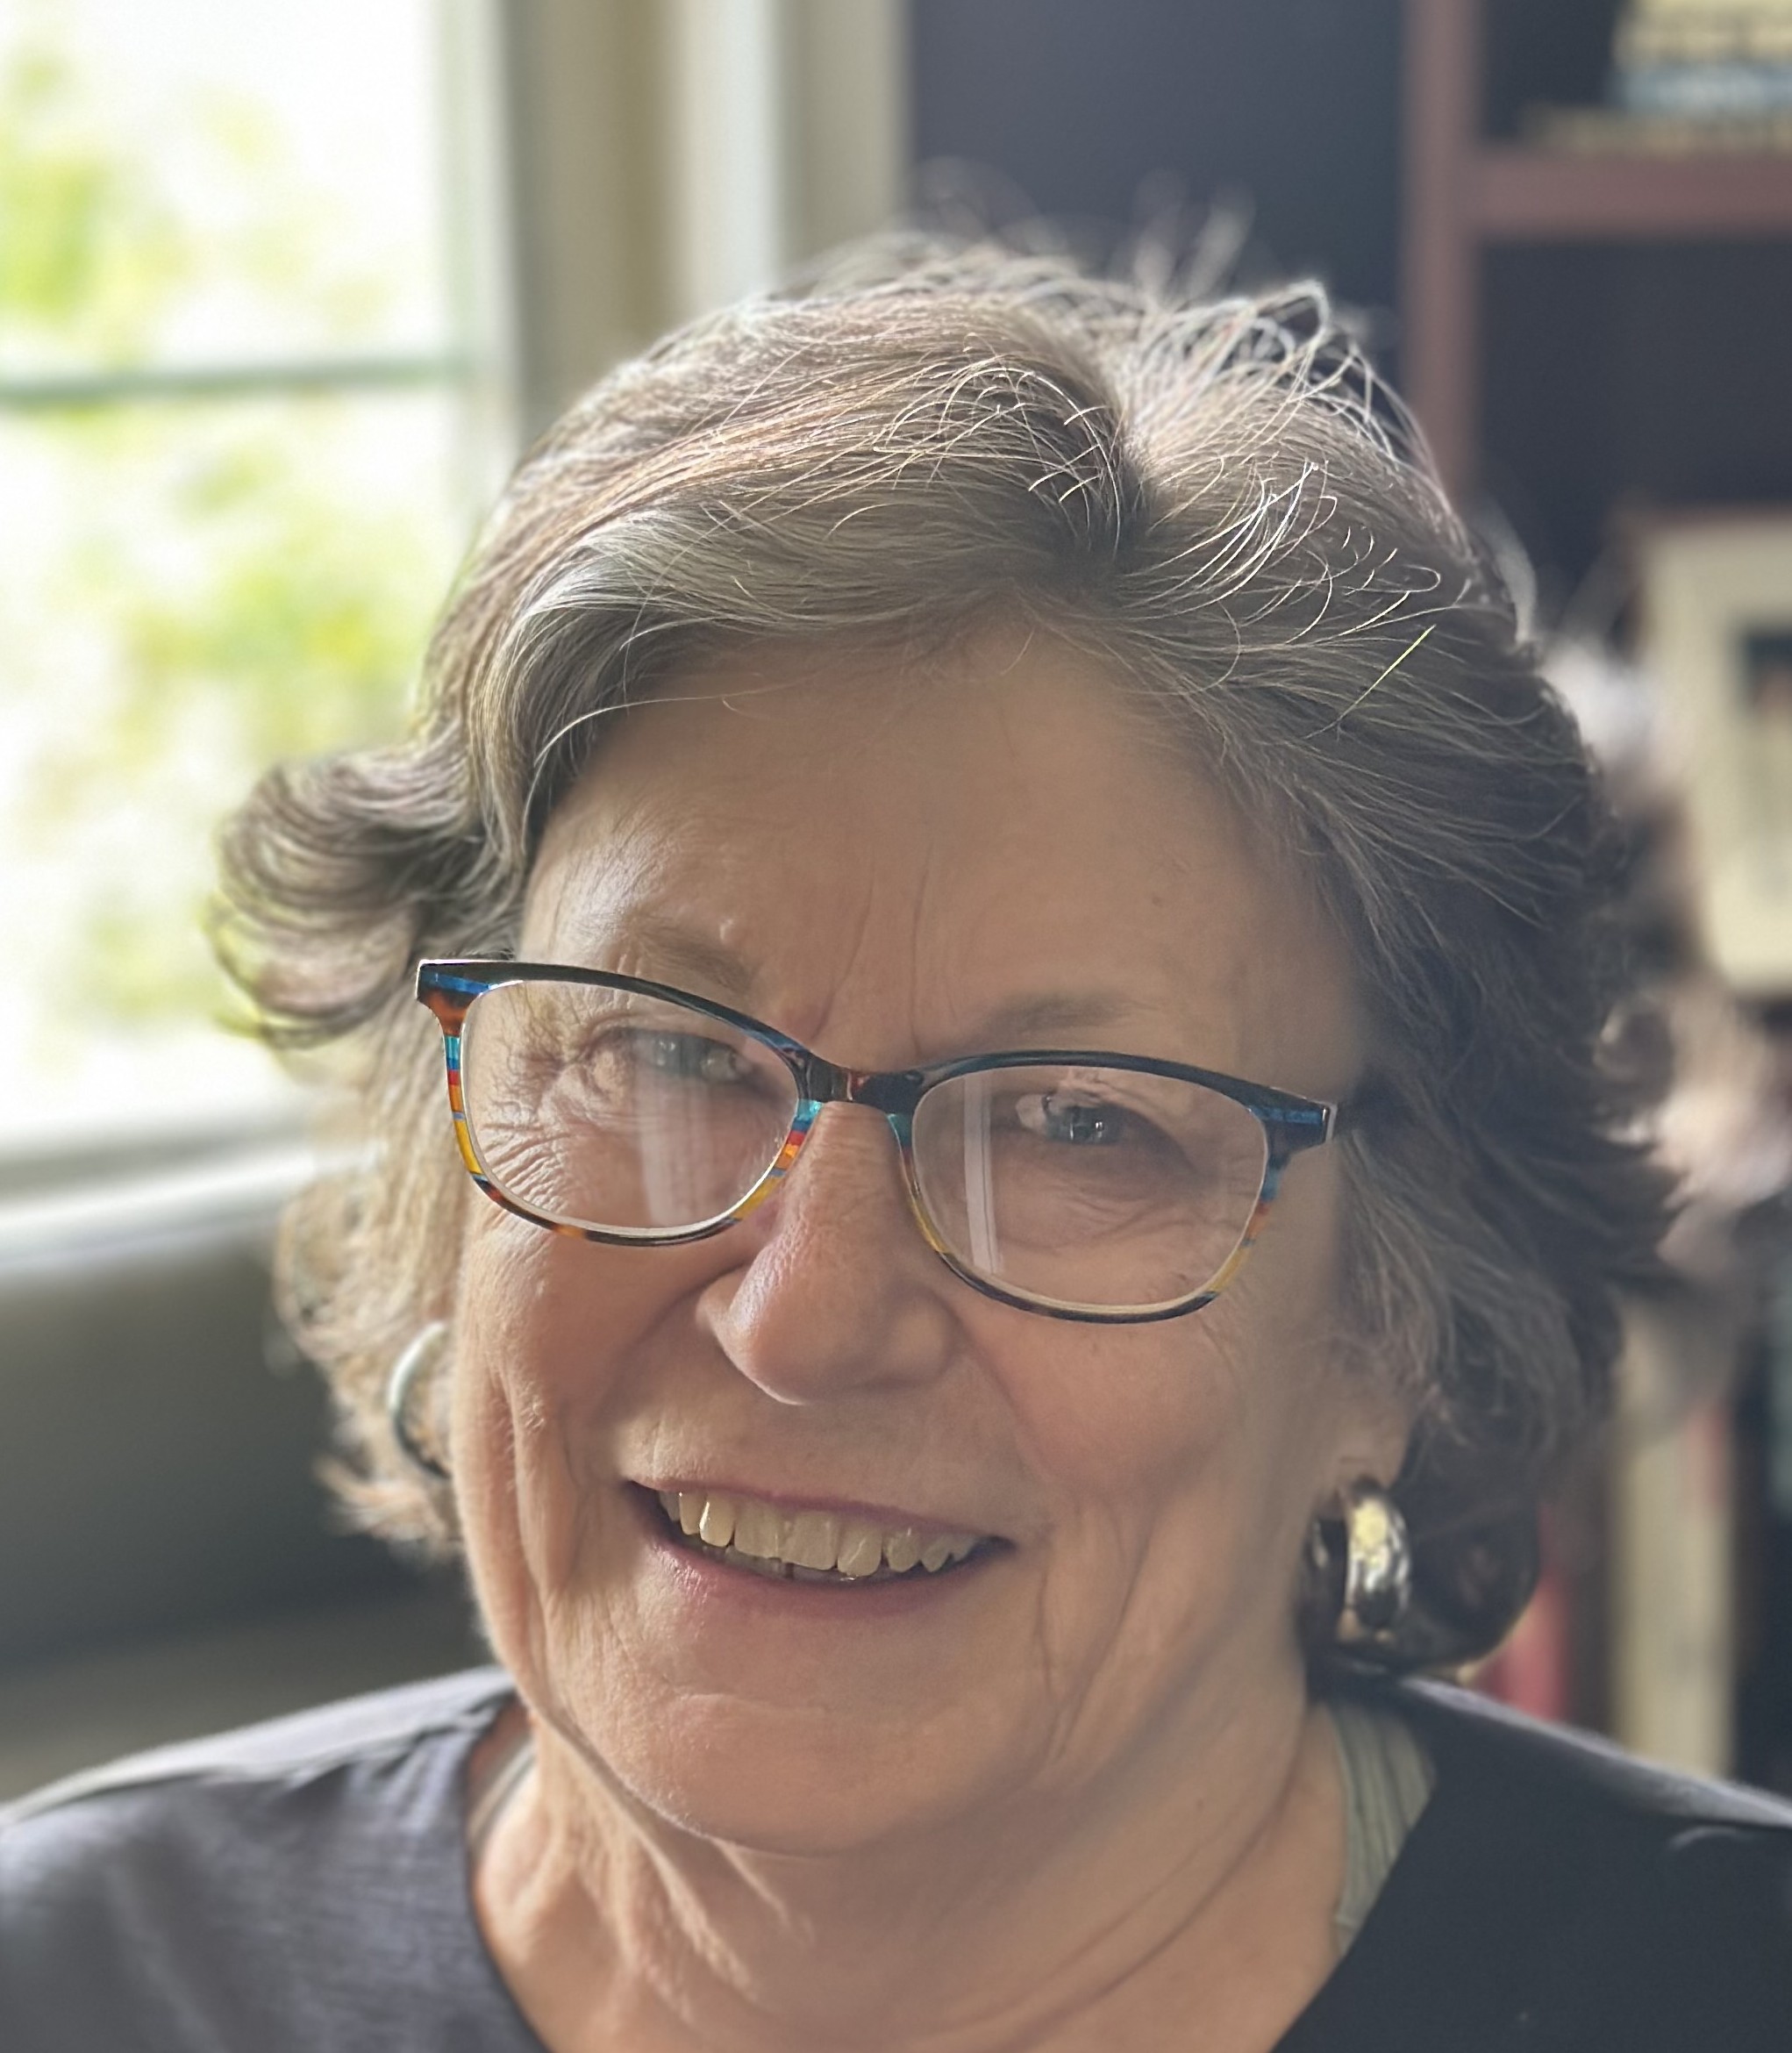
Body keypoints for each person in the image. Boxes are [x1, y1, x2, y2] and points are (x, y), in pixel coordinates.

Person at [4, 240, 1789, 2053]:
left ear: (1396, 1327)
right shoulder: (69, 1981)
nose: (803, 1320)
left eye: (1079, 1124)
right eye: (661, 1052)